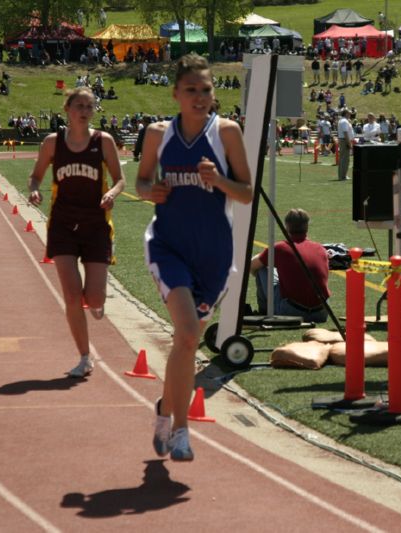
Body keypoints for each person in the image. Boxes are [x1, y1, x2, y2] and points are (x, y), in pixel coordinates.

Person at [135, 54, 253, 462]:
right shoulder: (157, 134)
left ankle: (166, 408)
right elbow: (142, 180)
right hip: (169, 246)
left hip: (215, 256)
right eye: (191, 90)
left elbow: (247, 192)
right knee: (187, 335)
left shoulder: (227, 132)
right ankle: (181, 432)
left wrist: (217, 180)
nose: (200, 97)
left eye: (206, 90)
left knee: (185, 344)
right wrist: (151, 191)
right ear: (176, 94)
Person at [27, 87, 126, 378]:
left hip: (96, 224)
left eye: (89, 106)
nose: (84, 111)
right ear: (68, 109)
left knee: (93, 299)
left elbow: (120, 180)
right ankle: (85, 357)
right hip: (63, 225)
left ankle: (97, 301)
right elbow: (36, 176)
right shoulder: (52, 143)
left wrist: (112, 193)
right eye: (79, 106)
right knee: (71, 297)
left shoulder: (103, 141)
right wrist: (34, 190)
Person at [250, 208, 330, 322]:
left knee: (262, 268)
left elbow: (253, 266)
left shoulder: (280, 248)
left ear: (286, 226)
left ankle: (264, 311)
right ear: (307, 226)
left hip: (291, 312)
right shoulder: (321, 249)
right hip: (321, 312)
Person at [336, 109, 354, 180]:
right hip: (345, 140)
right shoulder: (344, 121)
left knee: (344, 159)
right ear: (346, 113)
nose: (350, 114)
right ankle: (342, 176)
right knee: (344, 159)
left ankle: (343, 175)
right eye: (349, 113)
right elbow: (345, 133)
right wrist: (349, 143)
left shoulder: (343, 120)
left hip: (344, 140)